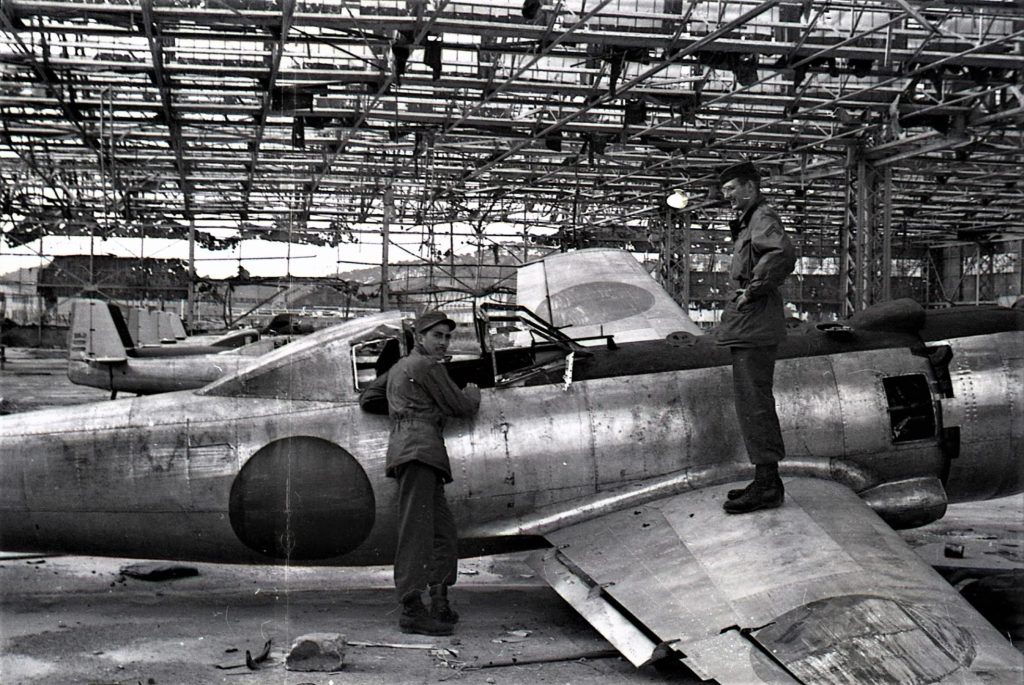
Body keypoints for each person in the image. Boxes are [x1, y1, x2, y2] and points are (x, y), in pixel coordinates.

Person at [385, 310, 481, 635]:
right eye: (437, 336)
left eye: (447, 337)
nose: (443, 342)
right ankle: (412, 608)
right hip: (419, 451)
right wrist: (472, 392)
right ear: (419, 338)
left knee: (443, 531)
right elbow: (463, 407)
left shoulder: (400, 368)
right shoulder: (427, 366)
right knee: (417, 531)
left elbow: (370, 397)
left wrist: (404, 407)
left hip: (418, 451)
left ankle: (439, 601)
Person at [715, 161, 796, 515]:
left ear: (750, 187)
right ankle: (766, 479)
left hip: (755, 322)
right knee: (752, 403)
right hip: (751, 324)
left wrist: (753, 291)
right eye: (725, 191)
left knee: (755, 404)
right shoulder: (751, 220)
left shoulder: (762, 217)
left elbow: (781, 254)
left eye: (732, 189)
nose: (727, 196)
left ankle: (767, 485)